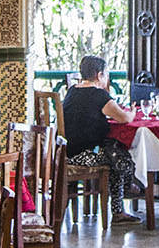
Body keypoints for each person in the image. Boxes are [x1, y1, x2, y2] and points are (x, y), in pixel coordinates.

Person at [59, 54, 145, 224]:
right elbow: (125, 118)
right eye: (106, 74)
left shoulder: (72, 91)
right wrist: (134, 111)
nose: (107, 78)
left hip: (68, 152)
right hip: (87, 154)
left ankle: (121, 204)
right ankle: (123, 200)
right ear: (99, 75)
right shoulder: (100, 96)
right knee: (121, 158)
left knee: (114, 153)